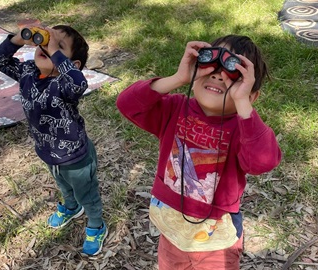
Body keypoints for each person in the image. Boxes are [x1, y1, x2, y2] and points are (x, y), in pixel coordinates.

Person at [116, 35, 282, 269]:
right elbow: (127, 104)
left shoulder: (243, 128)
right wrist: (178, 78)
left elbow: (262, 162)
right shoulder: (174, 109)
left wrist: (243, 104)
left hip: (216, 242)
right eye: (210, 64)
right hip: (171, 232)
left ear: (251, 95)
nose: (218, 75)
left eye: (232, 71)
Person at [0, 24, 107, 256]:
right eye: (45, 41)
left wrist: (54, 53)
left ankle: (96, 224)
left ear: (71, 65)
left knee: (87, 194)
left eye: (59, 46)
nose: (47, 46)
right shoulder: (28, 72)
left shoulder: (66, 84)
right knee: (62, 184)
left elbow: (79, 82)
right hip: (46, 150)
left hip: (75, 156)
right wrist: (18, 39)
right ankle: (71, 207)